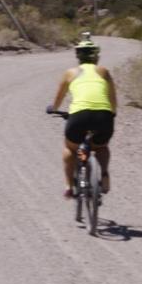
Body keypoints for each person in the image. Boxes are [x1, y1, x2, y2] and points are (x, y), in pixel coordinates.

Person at [48, 38, 117, 196]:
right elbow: (113, 99)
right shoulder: (104, 72)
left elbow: (58, 100)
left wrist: (54, 109)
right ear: (96, 56)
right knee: (101, 146)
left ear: (78, 57)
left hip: (78, 117)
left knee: (71, 149)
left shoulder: (70, 73)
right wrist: (112, 113)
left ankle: (68, 186)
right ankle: (104, 174)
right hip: (103, 116)